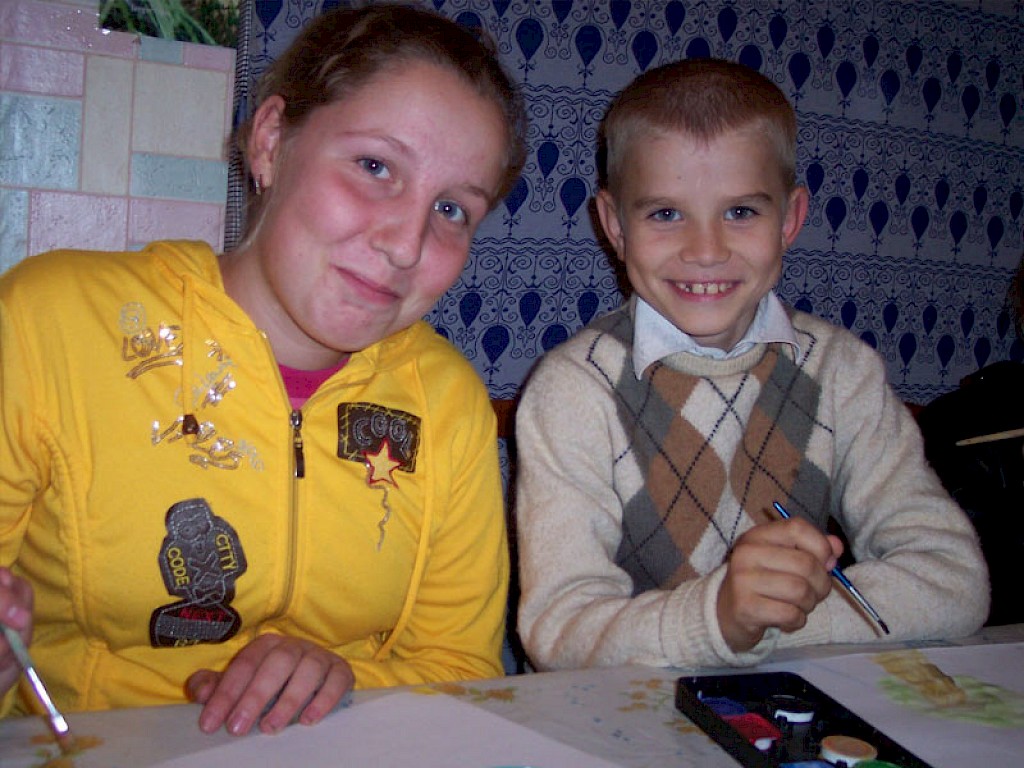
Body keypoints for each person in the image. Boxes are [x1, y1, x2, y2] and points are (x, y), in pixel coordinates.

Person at [0, 4, 526, 735]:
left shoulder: (447, 401)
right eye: (375, 167)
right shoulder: (48, 323)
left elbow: (460, 670)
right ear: (272, 141)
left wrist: (343, 685)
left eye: (452, 209)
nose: (406, 243)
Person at [514, 58, 989, 671]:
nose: (706, 251)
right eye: (665, 213)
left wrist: (761, 623)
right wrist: (718, 618)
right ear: (615, 225)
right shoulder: (574, 390)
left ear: (789, 219)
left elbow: (955, 582)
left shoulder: (843, 373)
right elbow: (559, 634)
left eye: (741, 212)